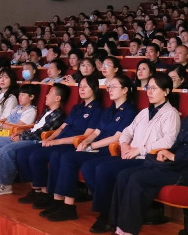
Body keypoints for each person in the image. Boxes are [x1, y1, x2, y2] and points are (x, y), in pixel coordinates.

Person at [98, 76, 188, 235]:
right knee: (124, 175)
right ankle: (117, 231)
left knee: (137, 178)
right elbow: (176, 145)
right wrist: (165, 153)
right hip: (174, 165)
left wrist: (174, 156)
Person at [29, 76, 139, 222]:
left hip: (108, 149)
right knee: (63, 157)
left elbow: (116, 138)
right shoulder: (108, 110)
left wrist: (91, 145)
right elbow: (96, 132)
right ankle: (59, 202)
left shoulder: (129, 111)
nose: (110, 90)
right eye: (109, 87)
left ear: (125, 90)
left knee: (70, 158)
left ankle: (72, 207)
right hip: (95, 147)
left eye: (114, 87)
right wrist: (86, 141)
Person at [81, 73, 180, 233]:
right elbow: (127, 131)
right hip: (130, 154)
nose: (149, 92)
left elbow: (168, 141)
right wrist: (125, 144)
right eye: (148, 88)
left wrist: (138, 150)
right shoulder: (143, 112)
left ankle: (107, 215)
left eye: (154, 88)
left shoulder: (171, 114)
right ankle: (109, 209)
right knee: (90, 166)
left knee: (104, 169)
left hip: (146, 158)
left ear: (166, 91)